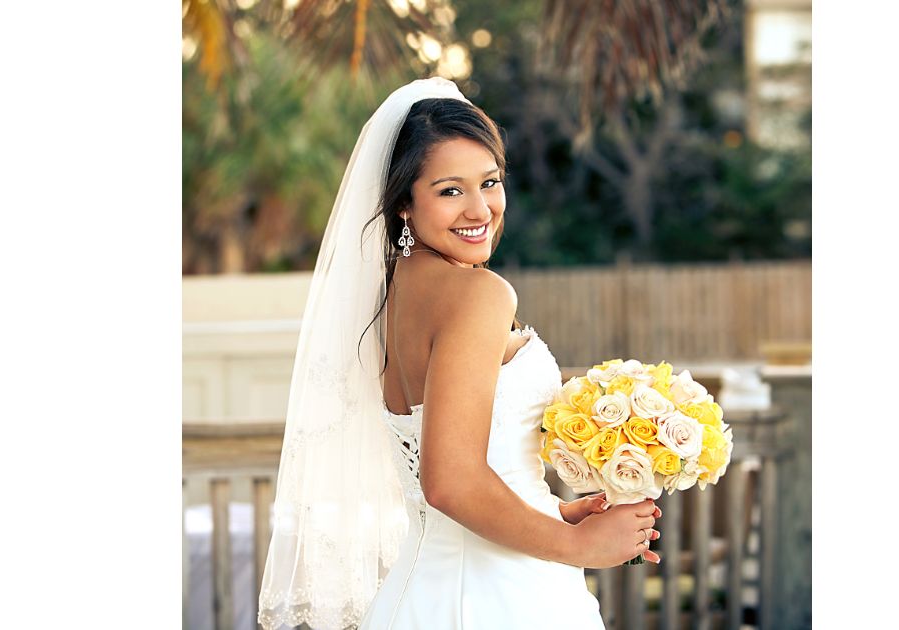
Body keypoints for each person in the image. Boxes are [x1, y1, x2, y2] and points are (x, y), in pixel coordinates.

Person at [257, 77, 661, 630]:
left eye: (490, 183)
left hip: (426, 590)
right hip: (502, 602)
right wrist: (578, 546)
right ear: (404, 202)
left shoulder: (391, 297)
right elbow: (449, 482)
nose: (480, 209)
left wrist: (555, 513)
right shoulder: (478, 294)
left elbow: (454, 471)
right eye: (450, 190)